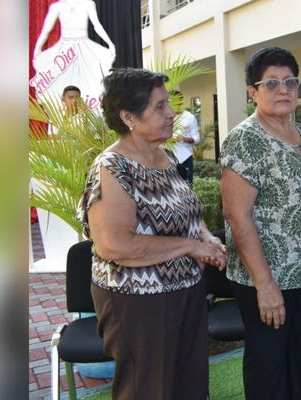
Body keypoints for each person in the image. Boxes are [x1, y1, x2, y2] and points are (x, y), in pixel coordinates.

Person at [77, 68, 228, 399]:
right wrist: (191, 247)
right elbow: (114, 245)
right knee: (148, 390)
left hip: (185, 292)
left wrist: (204, 236)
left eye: (169, 105)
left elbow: (184, 210)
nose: (172, 113)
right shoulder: (112, 167)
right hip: (139, 302)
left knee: (188, 387)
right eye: (160, 106)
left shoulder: (165, 155)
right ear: (128, 116)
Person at [219, 47, 301, 400]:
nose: (283, 89)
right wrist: (265, 285)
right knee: (269, 368)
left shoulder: (300, 132)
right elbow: (237, 218)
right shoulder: (245, 140)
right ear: (252, 92)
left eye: (290, 82)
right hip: (265, 277)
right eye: (271, 83)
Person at [31, 0, 115, 107]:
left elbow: (96, 25)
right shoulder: (57, 6)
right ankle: (62, 119)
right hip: (64, 51)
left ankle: (89, 116)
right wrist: (37, 47)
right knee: (63, 84)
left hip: (83, 48)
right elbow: (46, 30)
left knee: (88, 84)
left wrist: (110, 43)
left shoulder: (87, 4)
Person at [170, 90, 201, 185]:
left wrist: (186, 139)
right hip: (168, 156)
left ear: (181, 102)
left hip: (185, 157)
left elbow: (197, 138)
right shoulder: (164, 116)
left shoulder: (189, 117)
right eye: (170, 101)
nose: (172, 103)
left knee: (187, 185)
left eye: (175, 101)